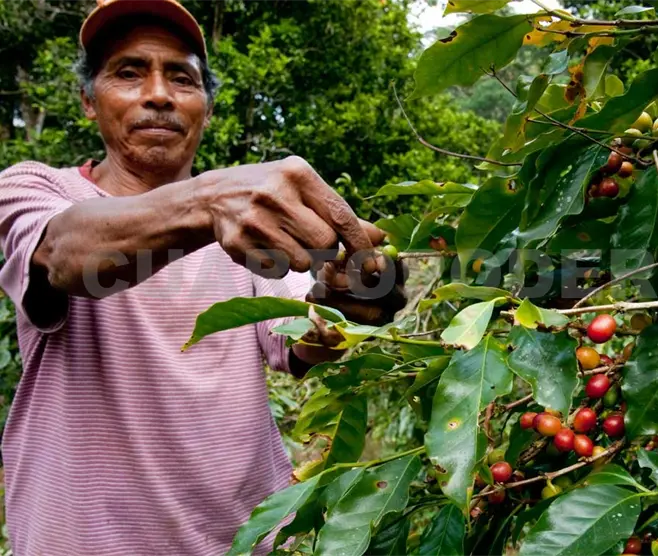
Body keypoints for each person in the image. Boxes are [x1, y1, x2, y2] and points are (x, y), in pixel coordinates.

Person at [0, 0, 405, 553]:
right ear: (88, 101)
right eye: (128, 72)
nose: (158, 94)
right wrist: (211, 202)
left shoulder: (248, 222)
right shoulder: (36, 189)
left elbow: (304, 334)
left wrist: (350, 298)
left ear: (207, 109)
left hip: (240, 539)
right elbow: (64, 256)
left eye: (182, 78)